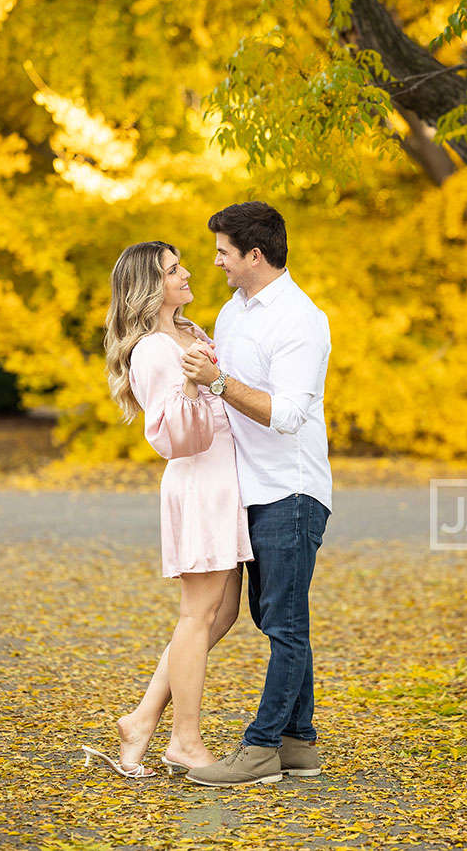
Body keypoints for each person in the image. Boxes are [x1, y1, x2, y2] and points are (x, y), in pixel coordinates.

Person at [82, 240, 253, 780]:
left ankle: (141, 721)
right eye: (172, 270)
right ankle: (184, 740)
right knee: (197, 614)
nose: (185, 274)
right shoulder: (155, 350)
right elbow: (173, 437)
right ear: (149, 287)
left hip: (225, 481)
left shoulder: (192, 332)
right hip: (200, 480)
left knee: (219, 614)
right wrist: (189, 382)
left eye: (181, 265)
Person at [181, 201, 332, 787]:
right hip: (249, 490)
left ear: (255, 255)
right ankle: (300, 744)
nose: (215, 261)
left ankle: (262, 746)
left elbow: (290, 414)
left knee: (285, 625)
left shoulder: (300, 319)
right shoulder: (232, 311)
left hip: (291, 491)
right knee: (277, 620)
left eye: (223, 251)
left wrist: (216, 380)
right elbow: (220, 391)